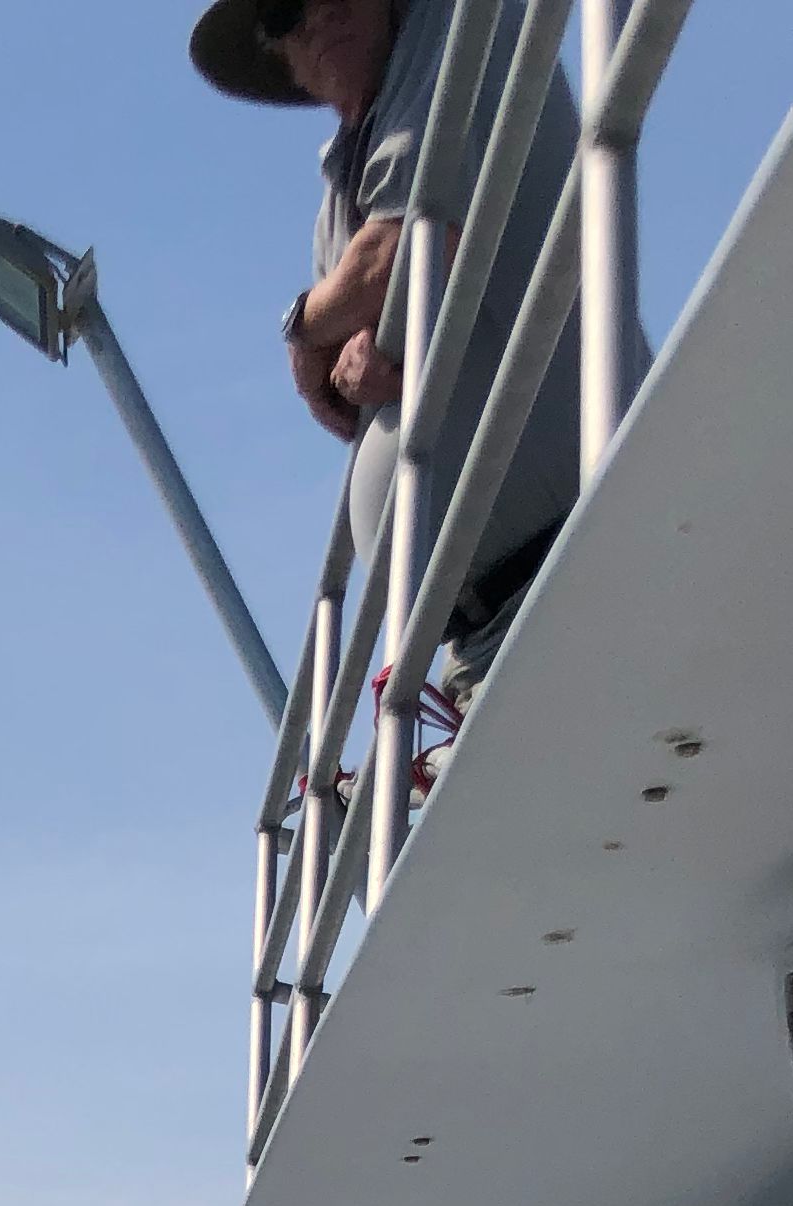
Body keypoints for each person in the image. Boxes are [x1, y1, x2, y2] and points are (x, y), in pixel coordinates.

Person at [193, 0, 582, 701]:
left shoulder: (459, 27)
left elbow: (400, 253)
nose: (320, 9)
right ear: (283, 58)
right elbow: (349, 373)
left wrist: (308, 327)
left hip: (577, 558)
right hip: (481, 631)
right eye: (285, 8)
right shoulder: (338, 191)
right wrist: (351, 347)